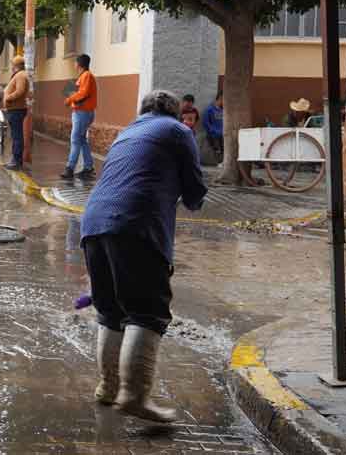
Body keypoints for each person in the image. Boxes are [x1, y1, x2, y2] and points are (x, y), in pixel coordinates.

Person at [80, 89, 207, 423]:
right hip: (135, 225)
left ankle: (108, 388)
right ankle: (135, 396)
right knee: (147, 312)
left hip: (92, 222)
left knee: (110, 310)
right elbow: (194, 191)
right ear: (175, 112)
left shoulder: (128, 132)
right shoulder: (179, 131)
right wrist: (190, 198)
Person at [63, 54, 98, 179]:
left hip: (82, 112)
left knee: (75, 139)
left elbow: (83, 93)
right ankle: (88, 168)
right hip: (82, 112)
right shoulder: (83, 76)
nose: (74, 65)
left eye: (75, 62)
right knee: (82, 140)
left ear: (79, 64)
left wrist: (69, 99)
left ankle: (70, 168)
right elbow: (80, 92)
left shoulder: (86, 76)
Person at [1, 56, 30, 171]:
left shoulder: (21, 75)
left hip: (16, 109)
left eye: (12, 64)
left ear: (16, 65)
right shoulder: (20, 75)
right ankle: (15, 159)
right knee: (15, 135)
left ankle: (16, 160)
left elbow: (20, 90)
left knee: (16, 135)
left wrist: (8, 98)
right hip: (15, 109)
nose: (12, 66)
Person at [204, 91, 224, 159]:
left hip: (223, 134)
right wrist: (212, 131)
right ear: (220, 98)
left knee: (223, 149)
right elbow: (206, 122)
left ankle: (222, 161)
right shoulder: (209, 109)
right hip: (214, 134)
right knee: (217, 150)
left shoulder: (222, 110)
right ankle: (218, 161)